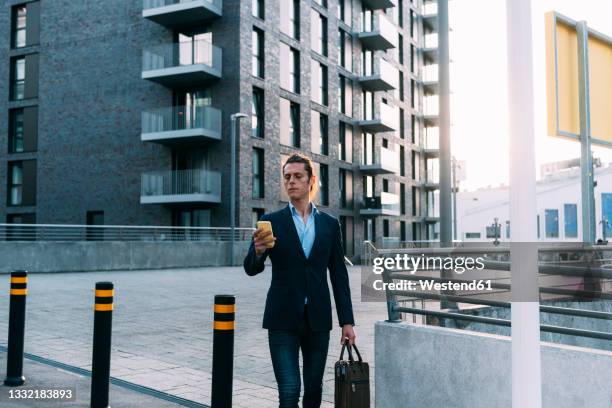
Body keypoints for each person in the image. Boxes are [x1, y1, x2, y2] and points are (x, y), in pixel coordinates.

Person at [244, 153, 356, 408]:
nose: (291, 181)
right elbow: (251, 268)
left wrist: (347, 321)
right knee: (290, 389)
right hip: (282, 317)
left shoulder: (329, 224)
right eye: (287, 177)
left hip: (318, 320)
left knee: (314, 388)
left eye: (297, 176)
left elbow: (339, 275)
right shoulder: (271, 221)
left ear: (311, 180)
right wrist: (259, 251)